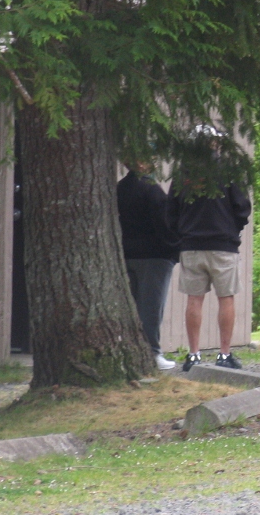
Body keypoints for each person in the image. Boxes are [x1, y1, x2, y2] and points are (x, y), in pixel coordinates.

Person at [169, 126, 252, 372]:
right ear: (214, 144)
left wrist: (183, 233)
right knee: (225, 298)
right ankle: (224, 354)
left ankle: (193, 354)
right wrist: (231, 229)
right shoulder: (227, 171)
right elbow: (242, 207)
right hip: (222, 245)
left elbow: (171, 211)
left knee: (194, 299)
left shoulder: (183, 173)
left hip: (192, 245)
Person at [117, 159, 180, 371]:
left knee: (131, 306)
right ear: (142, 163)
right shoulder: (152, 190)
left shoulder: (119, 189)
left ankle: (129, 353)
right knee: (151, 307)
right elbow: (164, 224)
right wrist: (174, 250)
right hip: (154, 256)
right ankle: (152, 353)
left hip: (126, 254)